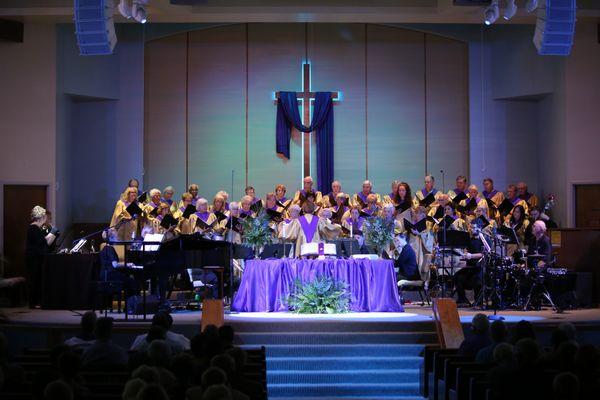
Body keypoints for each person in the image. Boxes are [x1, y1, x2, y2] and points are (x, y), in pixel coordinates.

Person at [25, 205, 57, 308]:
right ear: (40, 217)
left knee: (37, 279)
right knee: (34, 279)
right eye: (44, 217)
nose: (45, 219)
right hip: (33, 258)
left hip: (36, 257)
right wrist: (52, 233)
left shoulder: (36, 228)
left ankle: (36, 302)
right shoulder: (33, 228)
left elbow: (44, 242)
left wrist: (52, 234)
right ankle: (33, 303)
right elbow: (42, 242)